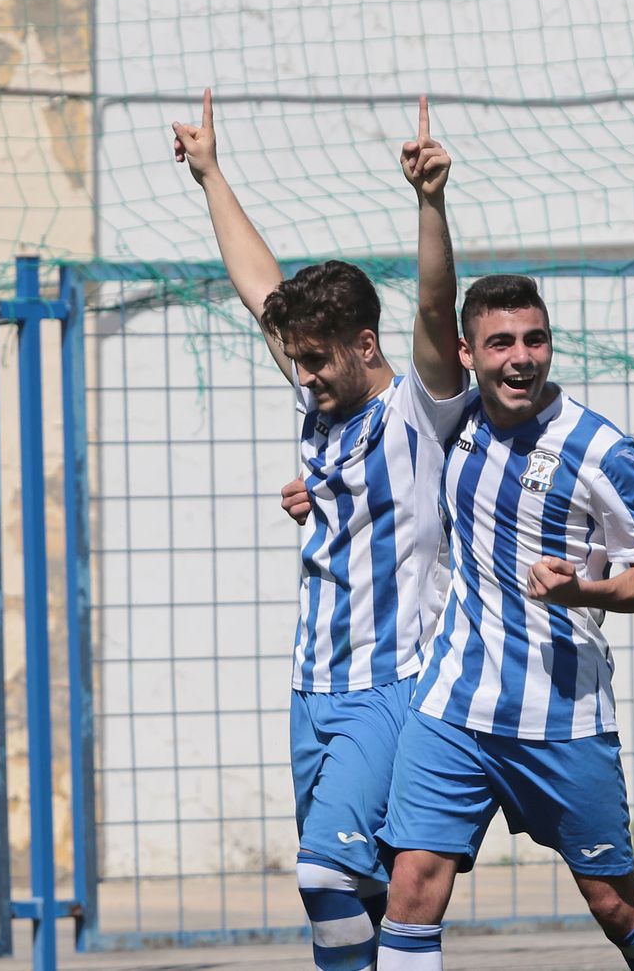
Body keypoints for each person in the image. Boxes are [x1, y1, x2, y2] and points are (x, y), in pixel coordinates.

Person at [367, 112, 634, 970]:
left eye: (535, 339)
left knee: (614, 902)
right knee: (413, 886)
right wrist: (432, 201)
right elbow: (435, 303)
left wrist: (585, 591)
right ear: (470, 358)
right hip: (453, 707)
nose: (521, 357)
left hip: (562, 712)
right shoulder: (452, 419)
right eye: (501, 342)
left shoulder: (600, 449)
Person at [172, 91, 457, 969]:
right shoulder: (318, 403)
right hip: (311, 686)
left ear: (366, 345)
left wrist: (431, 205)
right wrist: (213, 175)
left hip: (389, 683)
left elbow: (440, 316)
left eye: (314, 357)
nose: (300, 371)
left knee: (324, 876)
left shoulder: (419, 410)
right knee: (356, 892)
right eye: (294, 356)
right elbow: (259, 287)